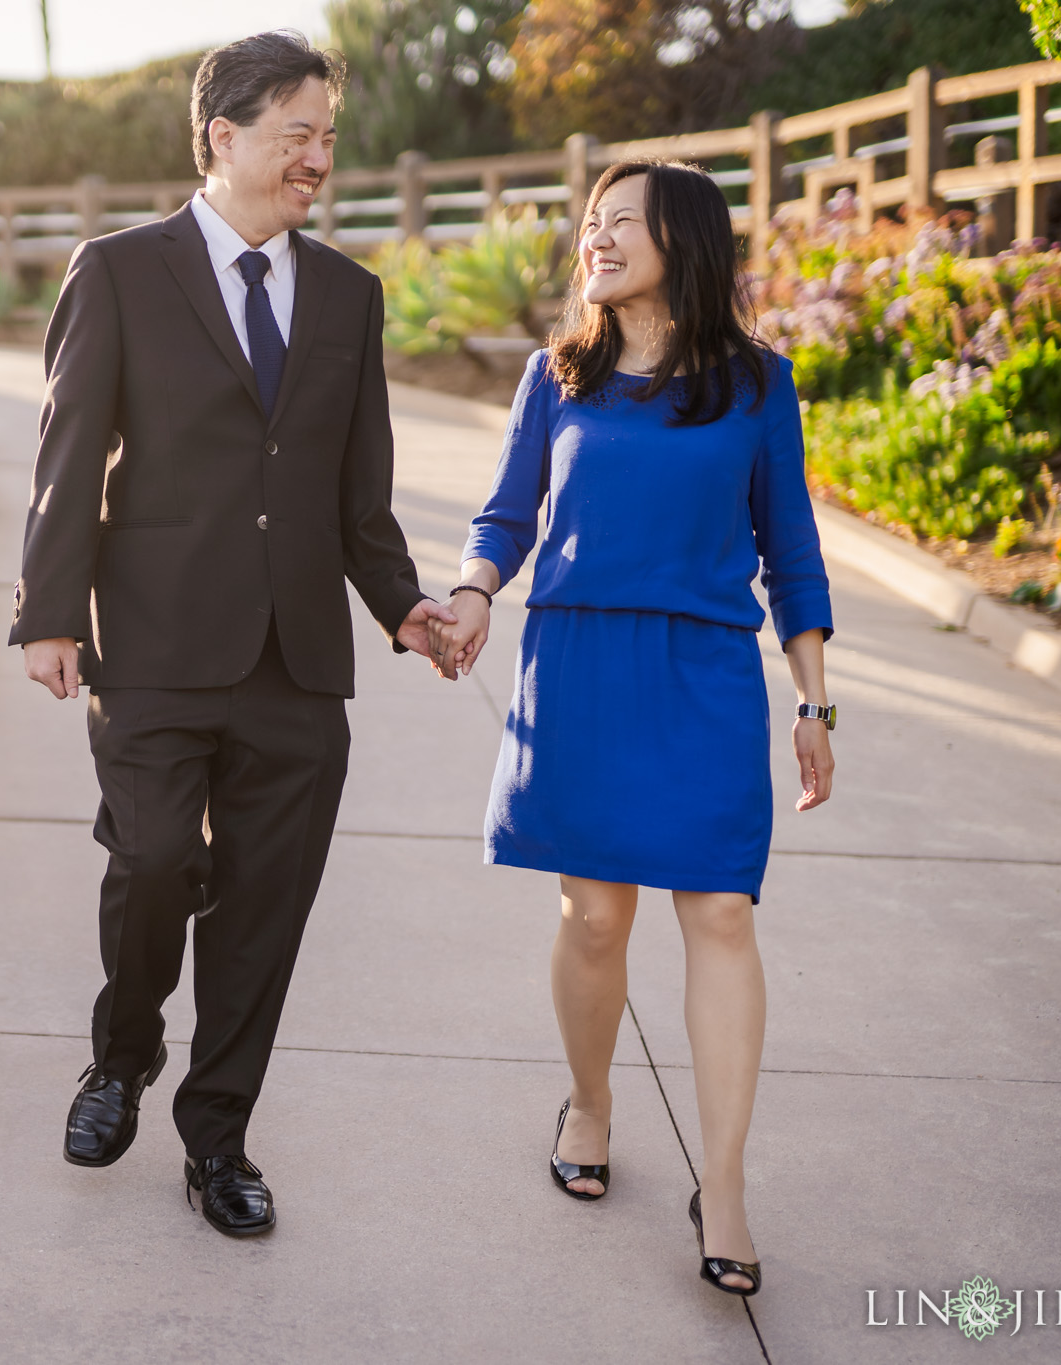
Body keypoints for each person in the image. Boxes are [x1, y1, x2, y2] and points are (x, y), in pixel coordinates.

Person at [8, 30, 452, 1237]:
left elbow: (357, 499)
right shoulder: (117, 271)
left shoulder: (349, 299)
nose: (319, 155)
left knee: (263, 913)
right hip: (148, 644)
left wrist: (403, 607)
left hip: (297, 663)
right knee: (152, 862)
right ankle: (122, 1054)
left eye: (325, 133)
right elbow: (68, 453)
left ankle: (219, 1142)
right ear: (222, 137)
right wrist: (48, 613)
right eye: (296, 132)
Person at [431, 160, 837, 1296]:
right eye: (590, 223)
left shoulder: (758, 384)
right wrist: (470, 594)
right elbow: (506, 515)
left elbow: (790, 555)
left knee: (717, 910)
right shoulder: (556, 375)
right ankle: (592, 1104)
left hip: (701, 671)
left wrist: (813, 704)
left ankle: (725, 1184)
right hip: (578, 669)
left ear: (685, 242)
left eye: (623, 222)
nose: (595, 239)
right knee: (595, 918)